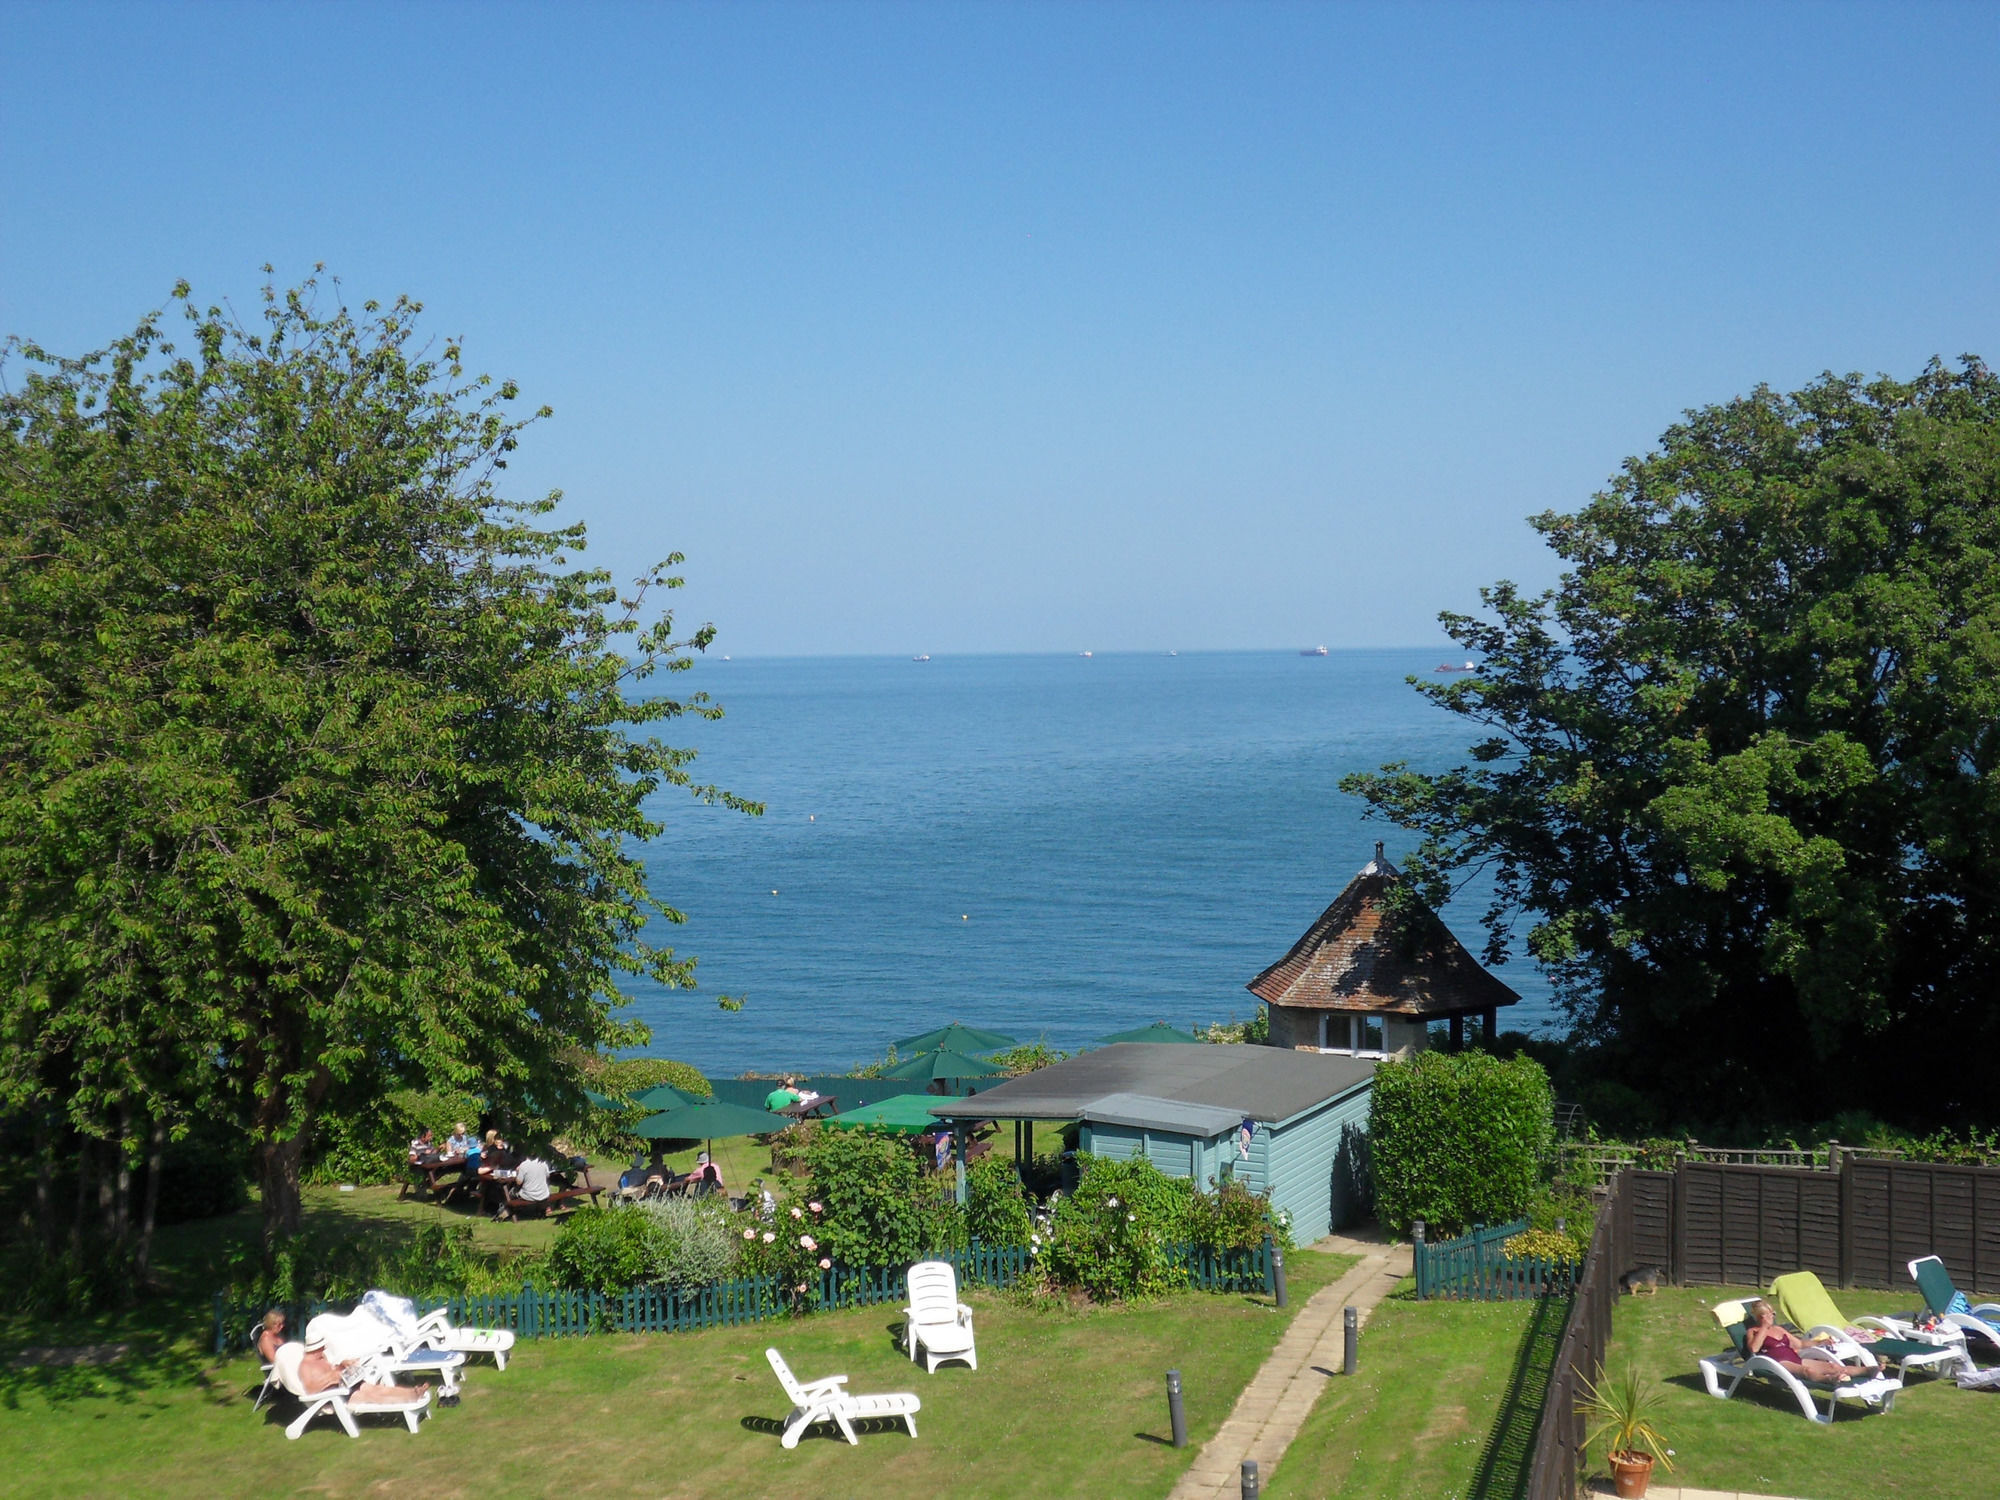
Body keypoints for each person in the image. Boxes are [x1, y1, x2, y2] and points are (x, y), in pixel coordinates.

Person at [1743, 1299, 1865, 1382]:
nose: (1772, 1317)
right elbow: (1754, 1348)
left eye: (1772, 1314)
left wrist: (1819, 1342)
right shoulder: (1753, 1331)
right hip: (1778, 1363)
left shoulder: (1779, 1329)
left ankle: (1867, 1371)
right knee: (1807, 1371)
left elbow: (1800, 1344)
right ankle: (1829, 1380)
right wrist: (1764, 1327)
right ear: (1760, 1317)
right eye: (1769, 1315)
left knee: (1832, 1366)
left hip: (1794, 1359)